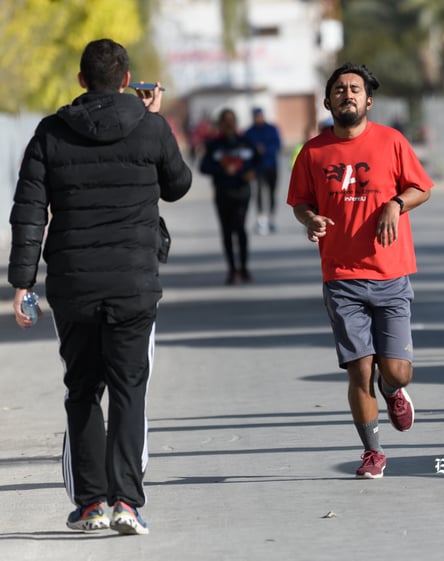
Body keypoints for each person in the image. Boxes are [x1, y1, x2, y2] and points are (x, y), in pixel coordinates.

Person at [7, 38, 192, 534]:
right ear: (128, 81)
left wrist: (21, 285)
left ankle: (91, 504)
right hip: (134, 284)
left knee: (82, 388)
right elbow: (178, 185)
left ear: (81, 81)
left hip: (73, 287)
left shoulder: (50, 133)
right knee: (130, 390)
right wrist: (154, 118)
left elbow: (28, 214)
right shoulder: (150, 127)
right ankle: (127, 503)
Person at [287, 63, 433, 479]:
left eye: (355, 88)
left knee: (396, 370)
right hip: (341, 277)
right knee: (359, 370)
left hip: (391, 273)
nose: (347, 93)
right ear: (328, 100)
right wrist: (309, 219)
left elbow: (421, 187)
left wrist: (396, 204)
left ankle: (394, 391)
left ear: (368, 100)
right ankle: (373, 451)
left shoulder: (391, 141)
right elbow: (300, 202)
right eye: (339, 89)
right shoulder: (313, 152)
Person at [200, 109, 260, 285]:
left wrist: (251, 172)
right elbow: (204, 167)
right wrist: (222, 170)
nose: (229, 124)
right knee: (227, 231)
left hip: (242, 191)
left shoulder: (246, 142)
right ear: (220, 124)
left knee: (240, 228)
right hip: (223, 192)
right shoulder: (214, 145)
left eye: (232, 120)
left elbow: (259, 161)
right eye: (225, 121)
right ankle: (232, 270)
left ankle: (244, 268)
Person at [244, 107, 283, 235]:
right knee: (259, 192)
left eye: (260, 116)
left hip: (271, 165)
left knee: (272, 192)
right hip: (258, 167)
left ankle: (271, 217)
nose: (258, 118)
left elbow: (278, 145)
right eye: (256, 116)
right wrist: (255, 151)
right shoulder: (249, 132)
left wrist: (265, 149)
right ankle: (261, 219)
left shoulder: (271, 129)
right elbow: (246, 148)